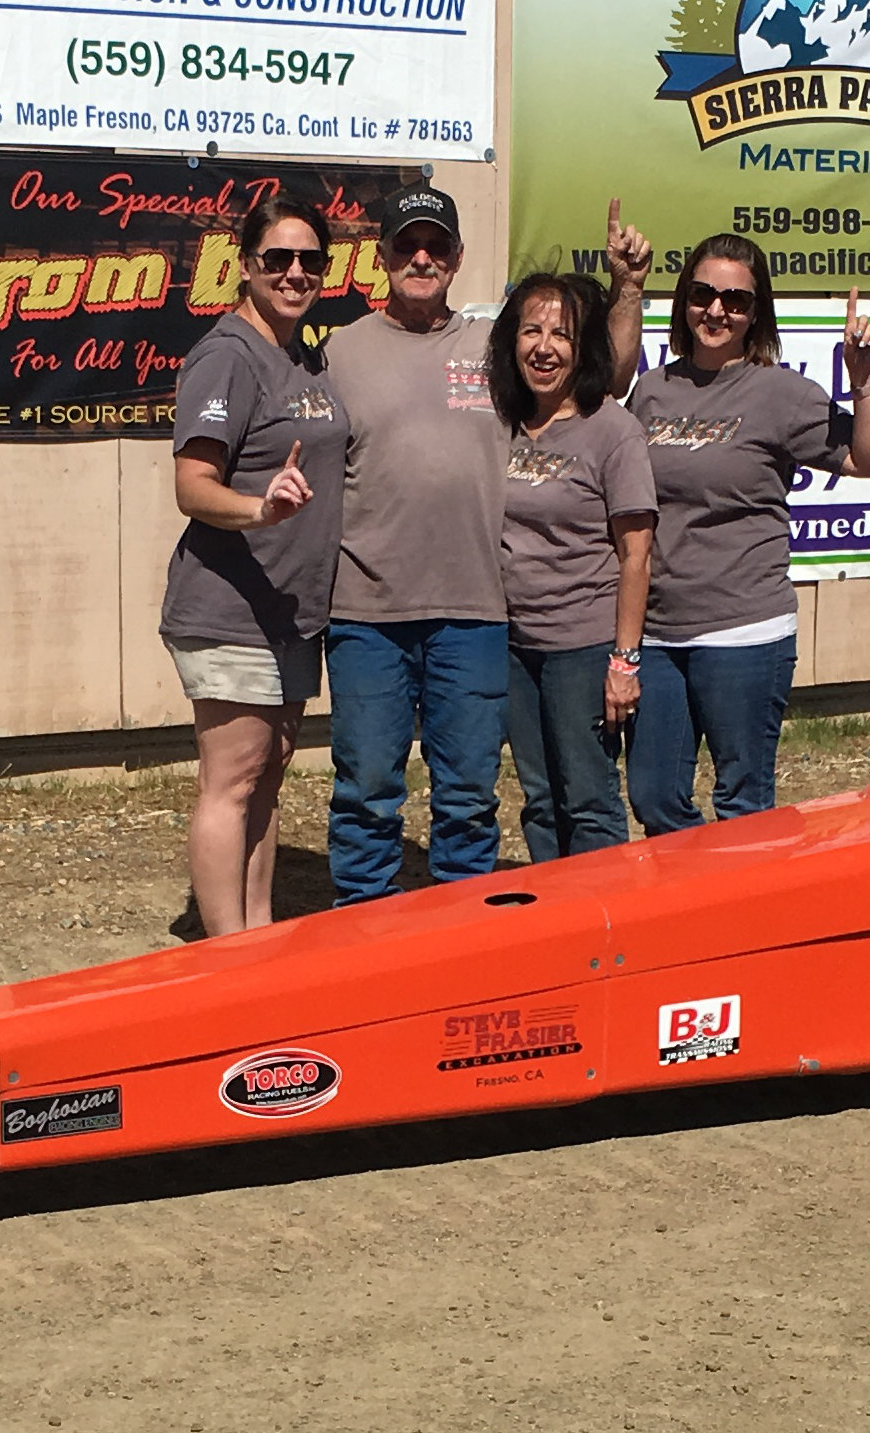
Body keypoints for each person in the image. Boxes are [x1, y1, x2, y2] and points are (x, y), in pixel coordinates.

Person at [600, 220, 870, 834]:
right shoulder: (653, 390)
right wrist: (625, 287)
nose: (717, 310)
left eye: (736, 300)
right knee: (653, 797)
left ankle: (744, 921)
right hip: (658, 632)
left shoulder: (779, 393)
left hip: (746, 632)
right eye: (703, 294)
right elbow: (602, 400)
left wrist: (863, 380)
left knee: (743, 806)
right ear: (683, 302)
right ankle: (691, 910)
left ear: (756, 313)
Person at [165, 197, 352, 936]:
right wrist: (258, 509)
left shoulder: (300, 354)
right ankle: (223, 963)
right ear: (245, 266)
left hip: (289, 611)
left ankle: (258, 940)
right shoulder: (228, 355)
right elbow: (191, 485)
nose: (294, 273)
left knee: (268, 776)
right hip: (230, 606)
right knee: (233, 780)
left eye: (310, 260)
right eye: (277, 258)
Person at [319, 184, 509, 905]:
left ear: (458, 258)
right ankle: (365, 948)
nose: (421, 257)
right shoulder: (339, 351)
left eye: (436, 246)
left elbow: (602, 380)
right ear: (382, 257)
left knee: (467, 798)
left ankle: (463, 950)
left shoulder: (496, 347)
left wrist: (625, 289)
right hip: (366, 613)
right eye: (406, 245)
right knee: (367, 792)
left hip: (475, 610)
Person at [489, 271, 654, 861]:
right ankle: (554, 930)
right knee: (537, 798)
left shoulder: (612, 430)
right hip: (513, 645)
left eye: (561, 334)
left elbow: (636, 553)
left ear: (583, 349)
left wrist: (623, 662)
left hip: (582, 648)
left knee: (587, 798)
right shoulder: (501, 424)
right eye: (530, 330)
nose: (544, 346)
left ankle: (605, 933)